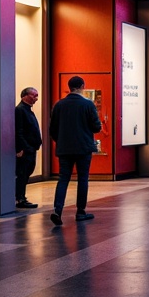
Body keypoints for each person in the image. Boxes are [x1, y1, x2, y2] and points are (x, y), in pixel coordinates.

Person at [49, 75, 102, 226]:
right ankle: (80, 212)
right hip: (83, 148)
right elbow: (96, 127)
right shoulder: (88, 105)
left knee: (63, 179)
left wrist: (61, 141)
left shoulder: (59, 105)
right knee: (82, 179)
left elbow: (52, 129)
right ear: (82, 86)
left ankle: (57, 210)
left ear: (69, 87)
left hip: (64, 148)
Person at [14, 86, 42, 208]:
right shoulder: (20, 110)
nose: (36, 98)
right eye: (34, 95)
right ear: (25, 96)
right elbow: (19, 131)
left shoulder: (28, 110)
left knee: (26, 173)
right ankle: (19, 198)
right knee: (22, 174)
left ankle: (21, 196)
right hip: (26, 150)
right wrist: (23, 148)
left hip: (31, 148)